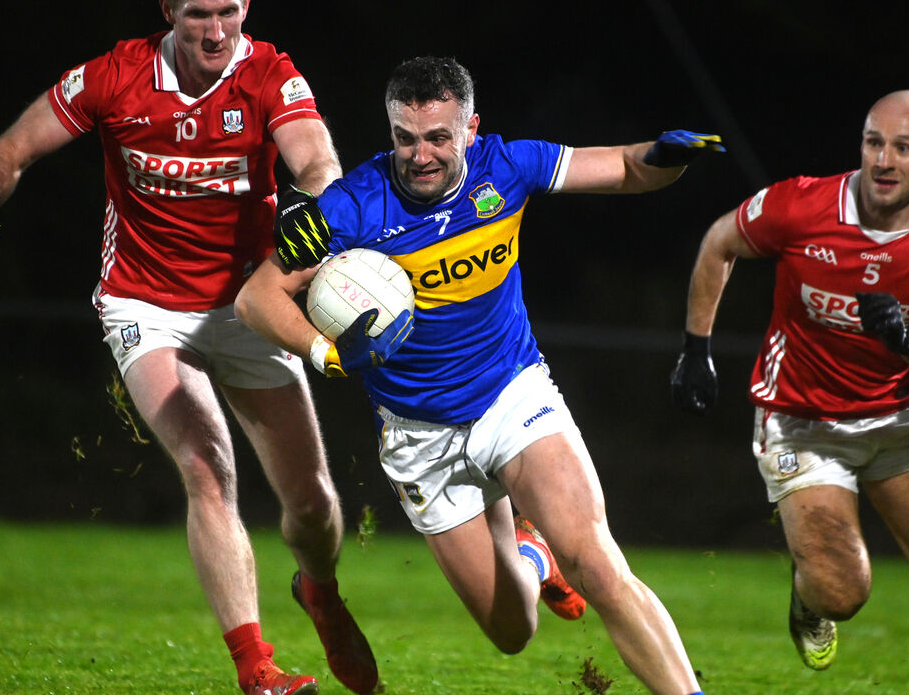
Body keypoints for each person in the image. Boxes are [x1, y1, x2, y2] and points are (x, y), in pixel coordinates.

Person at [0, 0, 375, 695]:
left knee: (312, 504)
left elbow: (317, 158)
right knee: (207, 465)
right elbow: (9, 149)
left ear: (247, 6)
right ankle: (257, 670)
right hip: (144, 304)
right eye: (198, 15)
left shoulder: (269, 73)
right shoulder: (115, 77)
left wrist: (309, 203)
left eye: (229, 13)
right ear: (168, 10)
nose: (216, 32)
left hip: (247, 305)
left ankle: (320, 591)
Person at [235, 56, 724, 695]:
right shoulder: (353, 206)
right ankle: (533, 554)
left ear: (470, 129)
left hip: (512, 396)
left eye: (438, 137)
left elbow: (629, 167)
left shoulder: (507, 167)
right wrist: (325, 353)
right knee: (513, 632)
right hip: (419, 438)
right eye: (406, 138)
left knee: (600, 568)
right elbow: (256, 298)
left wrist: (668, 158)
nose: (420, 156)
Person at [671, 90, 909, 695]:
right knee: (842, 594)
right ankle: (809, 595)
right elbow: (719, 242)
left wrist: (906, 340)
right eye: (874, 143)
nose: (884, 160)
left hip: (901, 416)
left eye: (904, 148)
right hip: (801, 419)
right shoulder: (803, 204)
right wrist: (695, 348)